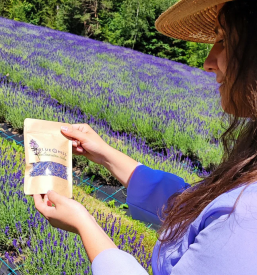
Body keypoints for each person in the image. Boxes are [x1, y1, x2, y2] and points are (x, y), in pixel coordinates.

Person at [34, 0, 257, 274]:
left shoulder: (248, 220)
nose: (208, 62)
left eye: (222, 41)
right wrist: (105, 154)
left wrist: (84, 224)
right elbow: (198, 206)